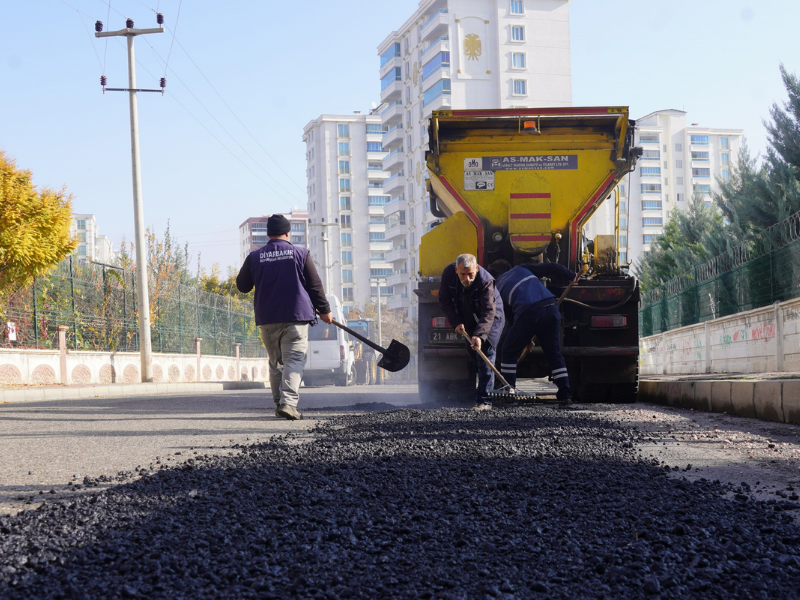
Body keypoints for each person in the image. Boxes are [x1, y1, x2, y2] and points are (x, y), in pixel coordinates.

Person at [236, 214, 333, 420]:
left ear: (268, 234)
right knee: (294, 360)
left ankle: (279, 404)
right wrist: (324, 310)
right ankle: (288, 403)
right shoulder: (300, 253)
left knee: (276, 362)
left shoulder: (255, 256)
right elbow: (314, 286)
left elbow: (242, 286)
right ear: (288, 233)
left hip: (268, 318)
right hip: (295, 317)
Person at [495, 262, 578, 405]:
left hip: (529, 312)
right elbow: (551, 266)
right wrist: (571, 275)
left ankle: (508, 393)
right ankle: (565, 395)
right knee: (554, 354)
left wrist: (524, 339)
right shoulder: (520, 268)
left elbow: (512, 320)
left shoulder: (497, 288)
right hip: (551, 306)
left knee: (508, 351)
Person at [438, 253, 504, 410]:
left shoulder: (485, 281)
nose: (467, 278)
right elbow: (444, 300)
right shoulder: (448, 274)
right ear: (456, 270)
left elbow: (488, 311)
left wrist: (480, 335)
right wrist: (456, 322)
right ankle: (485, 390)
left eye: (470, 274)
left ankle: (485, 401)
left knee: (485, 354)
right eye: (463, 274)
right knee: (474, 353)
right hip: (468, 316)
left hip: (491, 318)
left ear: (476, 268)